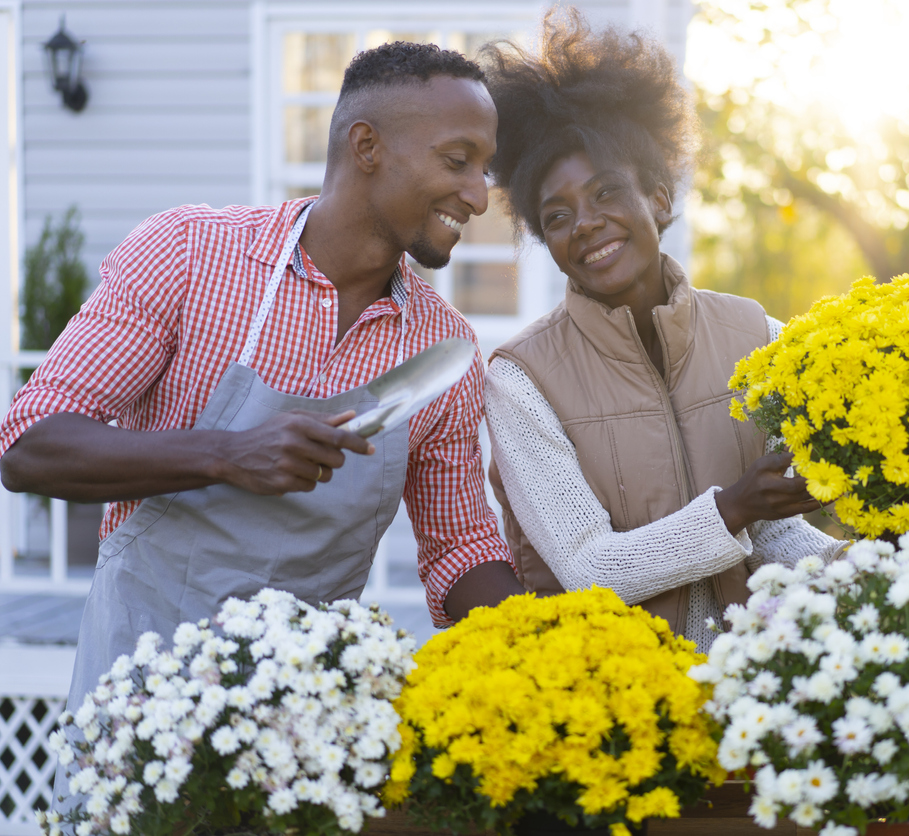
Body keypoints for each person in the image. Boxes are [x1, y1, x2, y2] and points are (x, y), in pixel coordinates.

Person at [0, 42, 524, 725]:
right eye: (458, 162)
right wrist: (225, 453)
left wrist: (544, 650)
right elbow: (31, 443)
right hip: (137, 695)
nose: (479, 197)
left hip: (302, 727)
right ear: (366, 145)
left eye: (485, 171)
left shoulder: (441, 348)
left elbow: (460, 550)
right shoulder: (189, 254)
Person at [479, 12, 847, 653]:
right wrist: (732, 506)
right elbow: (590, 569)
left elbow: (774, 536)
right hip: (614, 705)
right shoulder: (520, 378)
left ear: (658, 198)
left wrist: (885, 577)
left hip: (751, 692)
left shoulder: (756, 334)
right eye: (558, 215)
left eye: (605, 194)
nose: (586, 224)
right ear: (548, 241)